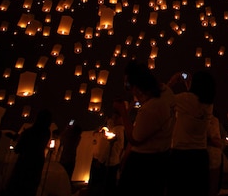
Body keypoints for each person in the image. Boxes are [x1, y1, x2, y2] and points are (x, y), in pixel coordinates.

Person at [114, 60, 175, 196]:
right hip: (160, 162)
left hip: (143, 167)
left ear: (137, 86)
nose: (129, 90)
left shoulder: (150, 108)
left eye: (128, 85)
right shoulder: (166, 95)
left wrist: (123, 112)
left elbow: (134, 139)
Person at [166, 70, 216, 196]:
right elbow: (194, 101)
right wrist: (190, 88)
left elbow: (163, 99)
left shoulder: (185, 99)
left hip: (181, 156)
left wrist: (171, 82)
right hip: (200, 156)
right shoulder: (209, 105)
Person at [5, 108, 53, 196]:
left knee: (18, 187)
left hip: (24, 162)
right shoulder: (46, 132)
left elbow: (18, 149)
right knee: (31, 187)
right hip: (37, 162)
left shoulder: (29, 132)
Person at [88, 110, 125, 196]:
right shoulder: (120, 130)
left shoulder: (117, 130)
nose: (113, 120)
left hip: (110, 162)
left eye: (114, 118)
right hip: (114, 161)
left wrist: (100, 160)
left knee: (105, 185)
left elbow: (108, 148)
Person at [207, 111, 224, 196]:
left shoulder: (213, 120)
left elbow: (218, 140)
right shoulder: (210, 120)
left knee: (213, 185)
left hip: (214, 156)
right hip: (210, 155)